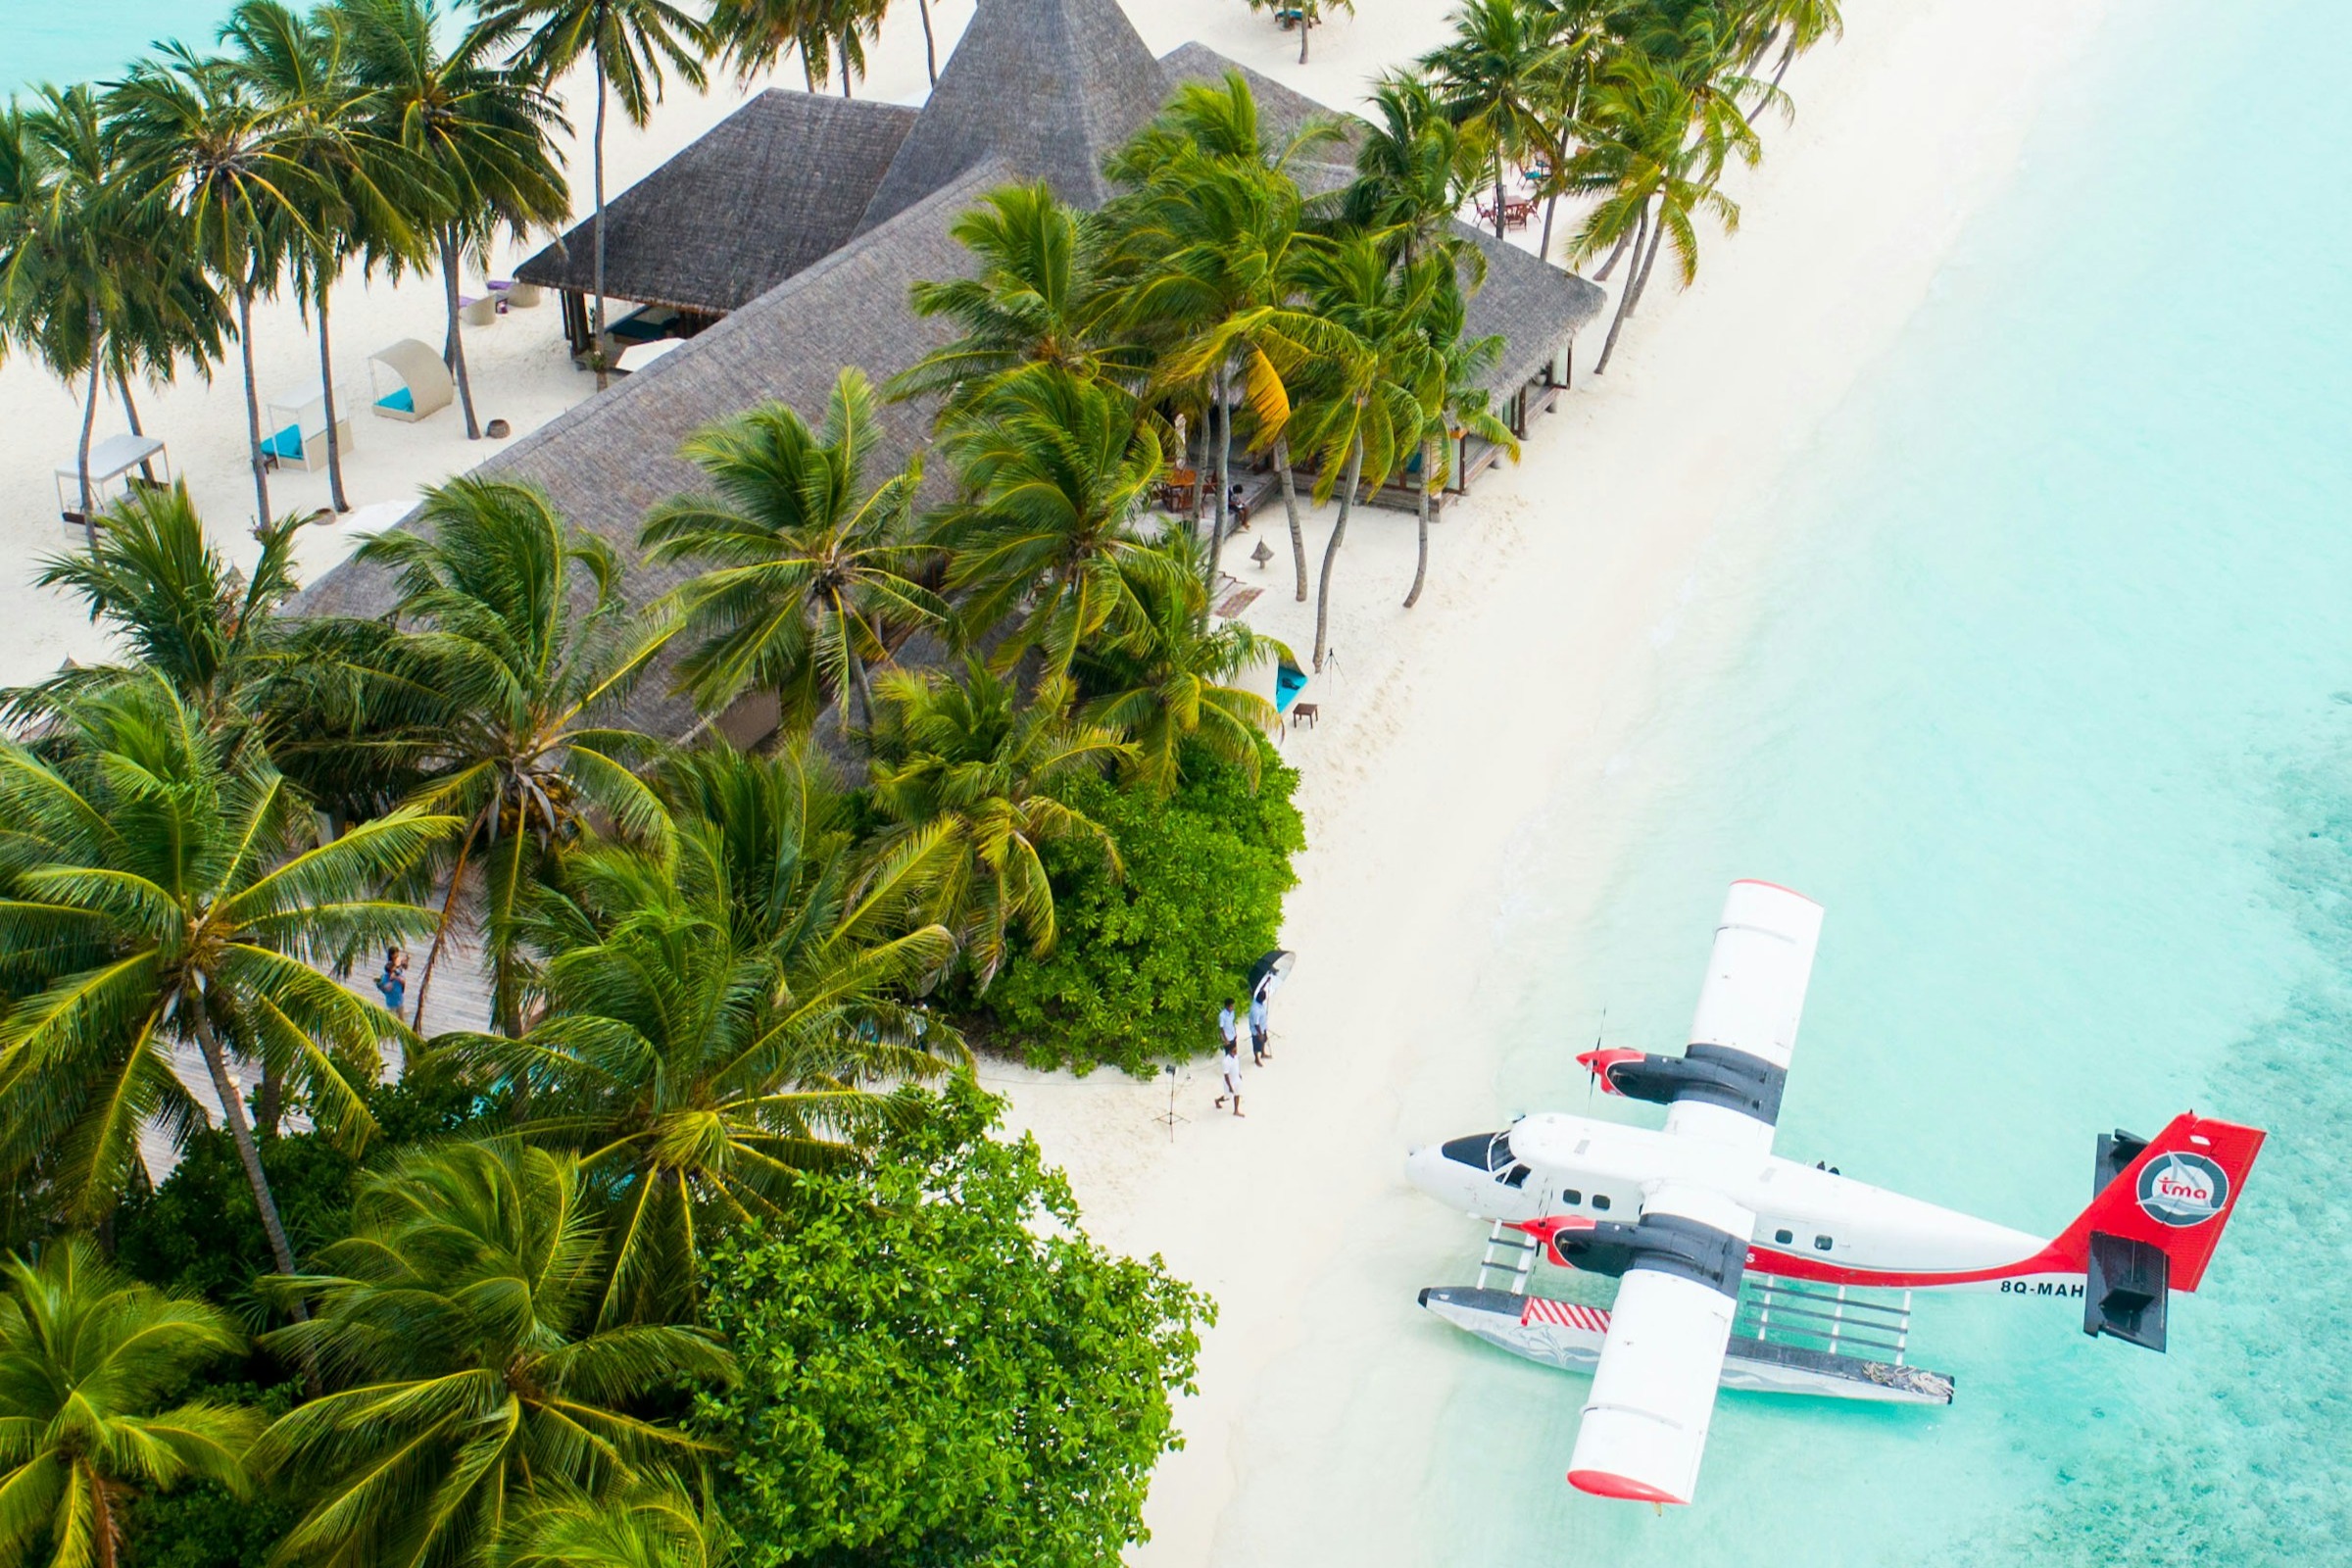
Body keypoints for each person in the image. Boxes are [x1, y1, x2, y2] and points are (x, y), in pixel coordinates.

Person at [1212, 1037, 1246, 1116]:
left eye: (1236, 1050)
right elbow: (1226, 1075)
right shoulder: (1226, 1061)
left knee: (1237, 1094)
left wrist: (1239, 1074)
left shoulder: (1236, 1057)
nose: (1236, 1052)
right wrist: (1230, 1086)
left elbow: (1237, 1066)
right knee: (1227, 1097)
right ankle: (1217, 1100)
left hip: (1236, 1079)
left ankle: (1236, 1110)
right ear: (1230, 1051)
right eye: (1234, 1051)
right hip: (1229, 1081)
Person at [374, 947, 407, 1013]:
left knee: (398, 1004)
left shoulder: (398, 961)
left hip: (397, 992)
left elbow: (404, 968)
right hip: (393, 990)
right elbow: (392, 975)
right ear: (391, 955)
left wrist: (404, 963)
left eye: (398, 954)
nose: (397, 956)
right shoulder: (390, 965)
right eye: (395, 955)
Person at [1249, 988, 1271, 1065]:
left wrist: (1266, 982)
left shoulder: (1256, 1000)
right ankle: (1256, 1059)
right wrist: (1260, 1034)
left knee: (1264, 1040)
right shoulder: (1255, 1010)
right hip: (1257, 1031)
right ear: (1262, 999)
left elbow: (1260, 989)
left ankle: (1263, 1053)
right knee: (1256, 1045)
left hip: (1263, 1027)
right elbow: (1256, 1024)